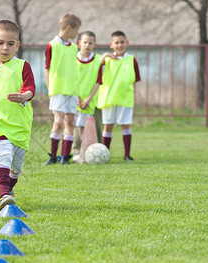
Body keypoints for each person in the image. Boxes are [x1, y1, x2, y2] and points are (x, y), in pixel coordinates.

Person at [0, 20, 36, 211]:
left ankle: (8, 190)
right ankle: (4, 196)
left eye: (11, 44)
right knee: (0, 157)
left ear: (17, 46)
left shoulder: (22, 66)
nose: (5, 48)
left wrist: (24, 96)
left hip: (19, 127)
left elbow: (30, 88)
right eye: (1, 43)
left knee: (15, 167)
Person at [44, 13, 81, 165]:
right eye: (76, 29)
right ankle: (53, 156)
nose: (77, 33)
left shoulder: (73, 48)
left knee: (70, 122)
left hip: (72, 90)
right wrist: (49, 89)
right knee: (58, 123)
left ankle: (65, 156)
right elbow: (47, 69)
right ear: (69, 28)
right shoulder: (52, 45)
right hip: (58, 90)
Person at [97, 31, 140, 161]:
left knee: (125, 125)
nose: (119, 45)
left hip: (125, 98)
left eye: (122, 42)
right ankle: (105, 154)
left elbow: (135, 80)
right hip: (108, 98)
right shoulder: (106, 60)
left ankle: (127, 155)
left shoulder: (131, 60)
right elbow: (94, 68)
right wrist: (104, 56)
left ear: (127, 43)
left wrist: (132, 94)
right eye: (116, 42)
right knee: (108, 125)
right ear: (111, 44)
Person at [71, 31, 103, 163]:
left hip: (92, 99)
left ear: (94, 44)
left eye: (90, 43)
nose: (87, 45)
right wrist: (77, 97)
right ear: (79, 44)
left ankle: (97, 150)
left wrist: (89, 99)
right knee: (77, 127)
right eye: (85, 42)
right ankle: (76, 152)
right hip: (76, 99)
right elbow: (70, 79)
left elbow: (99, 81)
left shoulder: (98, 60)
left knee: (95, 127)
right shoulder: (72, 59)